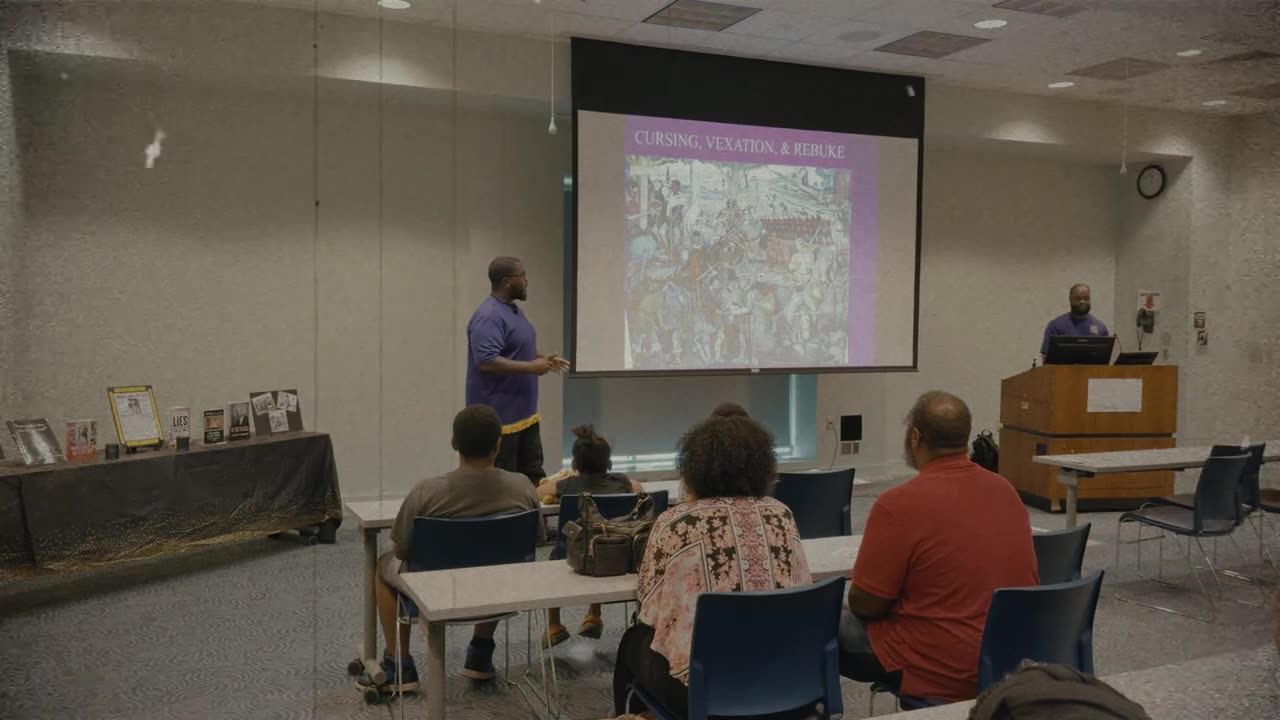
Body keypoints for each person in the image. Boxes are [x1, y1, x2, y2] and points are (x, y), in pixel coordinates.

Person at [840, 391, 1037, 703]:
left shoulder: (897, 503)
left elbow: (867, 605)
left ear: (916, 437)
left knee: (817, 620)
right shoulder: (1006, 491)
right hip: (1006, 660)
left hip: (936, 666)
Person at [613, 415, 811, 720]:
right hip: (787, 681)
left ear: (695, 467)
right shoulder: (782, 515)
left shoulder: (677, 521)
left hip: (705, 692)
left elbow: (649, 609)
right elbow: (801, 590)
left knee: (633, 640)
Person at [357, 405, 545, 694]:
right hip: (503, 590)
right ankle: (480, 654)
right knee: (493, 564)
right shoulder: (523, 487)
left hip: (438, 589)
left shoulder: (426, 492)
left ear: (454, 443)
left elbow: (403, 551)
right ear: (498, 444)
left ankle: (399, 664)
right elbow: (537, 539)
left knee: (383, 565)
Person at [539, 425, 644, 648]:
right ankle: (594, 615)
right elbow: (639, 486)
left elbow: (540, 492)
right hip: (615, 554)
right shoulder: (620, 482)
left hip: (572, 555)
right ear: (608, 463)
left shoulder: (568, 485)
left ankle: (554, 625)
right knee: (599, 543)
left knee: (556, 557)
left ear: (575, 464)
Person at [466, 257, 569, 484]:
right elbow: (486, 361)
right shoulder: (489, 316)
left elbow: (515, 347)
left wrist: (542, 358)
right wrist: (532, 368)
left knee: (532, 480)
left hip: (525, 414)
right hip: (501, 421)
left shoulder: (513, 311)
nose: (526, 281)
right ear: (506, 281)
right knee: (504, 485)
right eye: (521, 276)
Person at [1041, 284, 1110, 356]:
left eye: (1086, 298)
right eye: (1078, 298)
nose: (1082, 302)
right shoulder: (1055, 326)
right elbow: (1046, 358)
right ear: (1070, 299)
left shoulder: (1101, 328)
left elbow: (1105, 361)